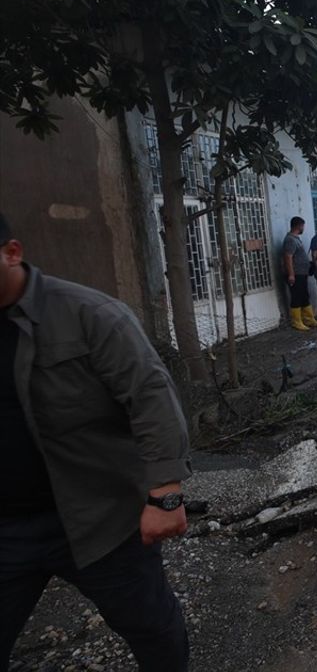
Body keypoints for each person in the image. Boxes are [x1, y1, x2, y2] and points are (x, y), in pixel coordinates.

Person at [0, 213, 192, 670]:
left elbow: (151, 396)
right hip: (7, 528)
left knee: (153, 629)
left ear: (12, 253)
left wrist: (165, 492)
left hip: (100, 519)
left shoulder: (89, 316)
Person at [282, 216, 317, 330]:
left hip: (302, 273)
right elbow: (288, 257)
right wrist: (291, 274)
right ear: (299, 226)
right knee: (296, 297)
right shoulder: (290, 239)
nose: (303, 228)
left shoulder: (296, 238)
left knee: (304, 296)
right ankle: (296, 321)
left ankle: (309, 319)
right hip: (296, 274)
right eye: (303, 226)